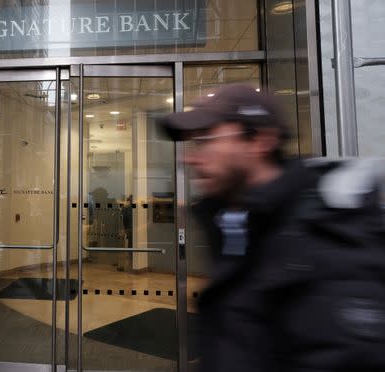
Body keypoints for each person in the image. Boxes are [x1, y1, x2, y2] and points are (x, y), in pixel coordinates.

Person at [161, 84, 385, 372]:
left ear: (260, 140)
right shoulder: (241, 228)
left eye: (205, 139)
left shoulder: (331, 247)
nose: (189, 158)